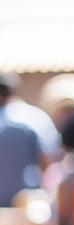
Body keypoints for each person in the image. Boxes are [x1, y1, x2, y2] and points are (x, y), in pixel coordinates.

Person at [0, 78, 43, 206]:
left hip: (23, 201)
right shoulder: (33, 118)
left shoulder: (28, 120)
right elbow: (47, 161)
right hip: (26, 202)